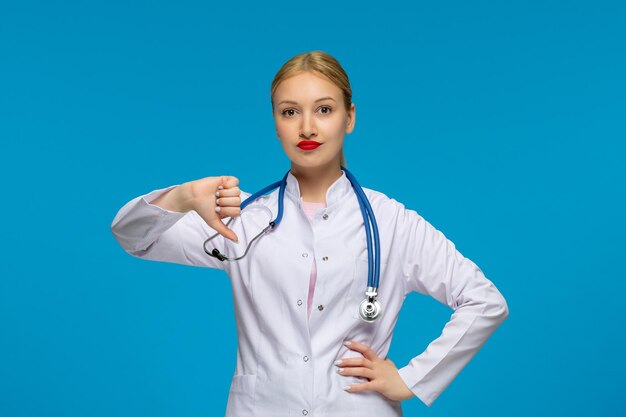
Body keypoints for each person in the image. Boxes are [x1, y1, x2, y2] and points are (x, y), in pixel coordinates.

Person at [110, 50, 509, 417]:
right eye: (289, 112)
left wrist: (411, 379)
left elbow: (484, 301)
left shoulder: (391, 222)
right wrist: (180, 197)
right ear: (276, 123)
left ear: (349, 117)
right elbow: (132, 237)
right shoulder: (240, 218)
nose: (307, 126)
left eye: (324, 109)